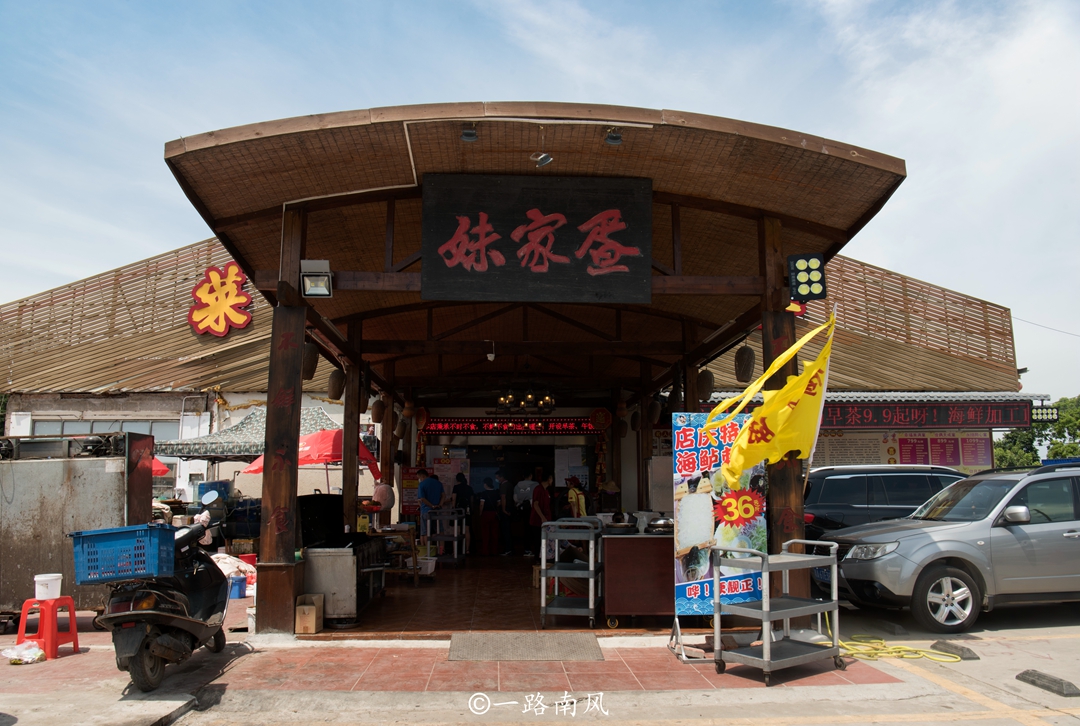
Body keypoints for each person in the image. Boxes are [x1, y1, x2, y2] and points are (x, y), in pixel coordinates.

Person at [529, 473, 553, 560]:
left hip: (546, 520)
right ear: (549, 478)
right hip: (538, 520)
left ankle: (544, 558)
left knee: (545, 540)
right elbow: (536, 504)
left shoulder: (546, 491)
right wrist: (542, 517)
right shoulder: (538, 489)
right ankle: (538, 559)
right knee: (538, 541)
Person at [514, 471, 538, 556]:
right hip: (533, 509)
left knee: (526, 528)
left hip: (523, 508)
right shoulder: (535, 485)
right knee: (535, 529)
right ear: (531, 475)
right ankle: (536, 550)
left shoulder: (517, 486)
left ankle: (527, 549)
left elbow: (515, 499)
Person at [417, 468, 443, 546]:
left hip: (426, 511)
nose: (419, 479)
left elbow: (422, 498)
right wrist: (439, 505)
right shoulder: (438, 483)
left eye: (419, 477)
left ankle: (427, 552)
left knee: (425, 532)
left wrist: (431, 505)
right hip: (437, 511)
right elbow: (443, 496)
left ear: (422, 476)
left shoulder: (422, 484)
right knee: (439, 531)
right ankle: (441, 550)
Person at [477, 477, 501, 555]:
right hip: (494, 514)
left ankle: (485, 551)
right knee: (494, 533)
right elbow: (499, 503)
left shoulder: (484, 493)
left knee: (485, 533)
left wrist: (480, 513)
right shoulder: (496, 493)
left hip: (486, 514)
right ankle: (494, 551)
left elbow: (481, 505)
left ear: (486, 484)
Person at [452, 472, 474, 555]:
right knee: (467, 530)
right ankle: (467, 550)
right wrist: (471, 510)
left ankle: (455, 550)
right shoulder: (469, 488)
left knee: (457, 530)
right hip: (467, 510)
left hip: (458, 510)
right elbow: (472, 500)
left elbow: (454, 499)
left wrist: (453, 508)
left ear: (457, 479)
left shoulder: (456, 487)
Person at [496, 470, 514, 555]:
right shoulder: (510, 485)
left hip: (505, 511)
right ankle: (510, 548)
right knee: (509, 530)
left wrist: (503, 509)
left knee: (505, 531)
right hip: (510, 509)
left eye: (497, 477)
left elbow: (503, 498)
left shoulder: (503, 486)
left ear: (501, 477)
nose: (497, 479)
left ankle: (507, 549)